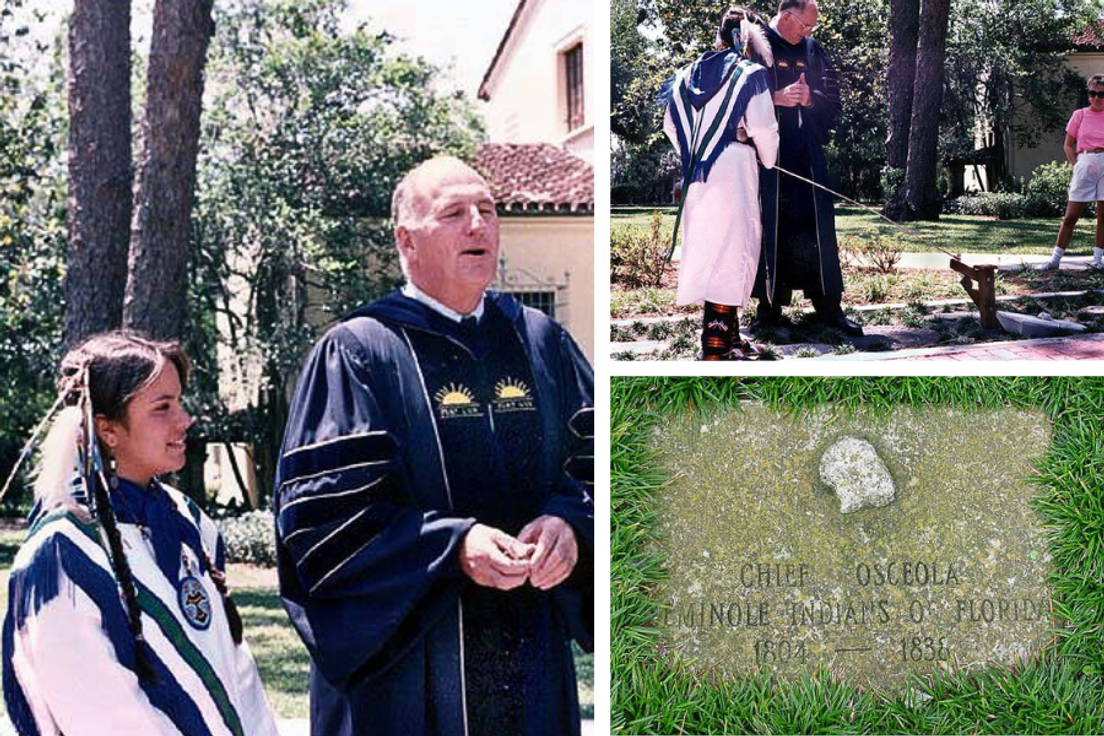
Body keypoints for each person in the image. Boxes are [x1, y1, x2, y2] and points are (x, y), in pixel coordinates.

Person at [274, 156, 594, 736]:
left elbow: (607, 467)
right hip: (405, 681)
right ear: (406, 240)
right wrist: (454, 546)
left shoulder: (541, 341)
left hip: (533, 666)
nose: (478, 225)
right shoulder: (359, 353)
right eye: (453, 213)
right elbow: (323, 527)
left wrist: (571, 524)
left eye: (488, 211)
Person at [2, 330, 278, 736]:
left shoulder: (189, 521)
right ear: (108, 429)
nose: (185, 419)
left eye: (179, 402)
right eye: (162, 408)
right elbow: (100, 713)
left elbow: (238, 669)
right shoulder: (63, 553)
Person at [660, 6, 778, 360]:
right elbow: (764, 128)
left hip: (699, 171)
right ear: (748, 39)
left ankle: (731, 340)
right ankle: (715, 352)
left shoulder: (684, 75)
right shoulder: (748, 74)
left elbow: (671, 126)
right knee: (731, 253)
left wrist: (697, 150)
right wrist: (766, 156)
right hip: (734, 168)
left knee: (713, 250)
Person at [751, 0, 864, 337]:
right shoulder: (755, 45)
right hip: (769, 155)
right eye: (806, 25)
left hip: (808, 152)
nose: (809, 32)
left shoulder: (813, 50)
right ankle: (769, 314)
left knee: (819, 230)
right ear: (787, 16)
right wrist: (775, 97)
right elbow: (735, 99)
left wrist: (809, 98)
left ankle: (829, 310)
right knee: (773, 229)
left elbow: (834, 101)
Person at [1038, 73, 1104, 271]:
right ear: (1088, 94)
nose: (1096, 98)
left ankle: (1098, 260)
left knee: (1103, 216)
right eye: (1092, 93)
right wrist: (1076, 165)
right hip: (1085, 160)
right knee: (1071, 215)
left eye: (1101, 94)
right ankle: (1055, 259)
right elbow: (1068, 145)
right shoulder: (1080, 115)